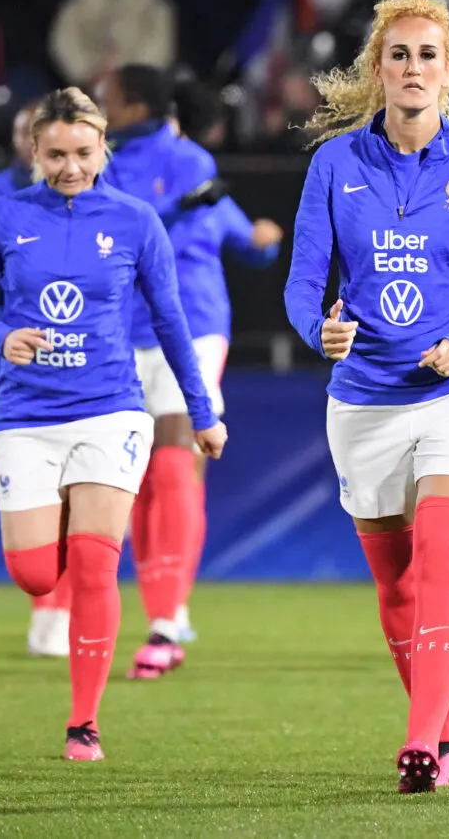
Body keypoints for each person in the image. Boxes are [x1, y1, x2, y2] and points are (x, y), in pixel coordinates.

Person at [283, 0, 449, 793]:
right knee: (395, 585)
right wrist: (320, 329)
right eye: (399, 55)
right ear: (377, 70)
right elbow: (302, 283)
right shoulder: (334, 165)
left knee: (442, 562)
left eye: (428, 55)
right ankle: (448, 743)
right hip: (364, 399)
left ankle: (418, 746)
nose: (413, 68)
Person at [0, 87, 226, 761]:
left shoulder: (136, 222)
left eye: (82, 152)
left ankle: (84, 724)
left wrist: (202, 411)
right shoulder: (6, 215)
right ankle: (68, 554)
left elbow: (171, 324)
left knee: (98, 566)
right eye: (55, 154)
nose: (70, 166)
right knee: (37, 574)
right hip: (25, 414)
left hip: (110, 408)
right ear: (34, 153)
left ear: (103, 148)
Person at [95, 64, 282, 676]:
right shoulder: (97, 162)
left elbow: (242, 244)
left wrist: (265, 243)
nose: (102, 107)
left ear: (135, 105)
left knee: (175, 462)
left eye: (110, 99)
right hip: (121, 333)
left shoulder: (187, 160)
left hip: (191, 325)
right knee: (144, 478)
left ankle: (165, 622)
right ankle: (166, 606)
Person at [0, 102, 74, 657]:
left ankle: (61, 614)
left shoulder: (93, 194)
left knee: (77, 498)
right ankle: (43, 602)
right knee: (35, 500)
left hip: (82, 372)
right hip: (8, 370)